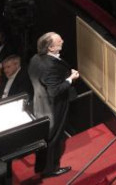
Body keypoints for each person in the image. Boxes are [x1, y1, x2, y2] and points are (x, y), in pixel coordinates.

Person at [30, 32, 79, 178]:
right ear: (51, 48)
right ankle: (50, 169)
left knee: (45, 137)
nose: (63, 41)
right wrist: (71, 79)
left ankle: (41, 166)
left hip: (40, 103)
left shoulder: (35, 59)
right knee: (54, 137)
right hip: (54, 107)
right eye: (59, 41)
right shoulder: (50, 66)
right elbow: (55, 91)